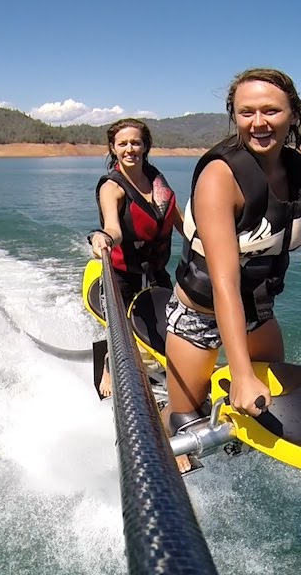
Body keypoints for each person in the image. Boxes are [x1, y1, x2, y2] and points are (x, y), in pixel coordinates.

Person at [163, 67, 301, 473]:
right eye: (246, 112)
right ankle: (165, 466)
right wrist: (239, 372)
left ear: (293, 114)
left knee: (264, 416)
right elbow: (224, 281)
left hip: (256, 312)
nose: (258, 122)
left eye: (271, 111)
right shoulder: (220, 177)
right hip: (200, 313)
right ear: (234, 116)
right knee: (185, 424)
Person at [88, 118, 184, 397]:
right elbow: (113, 228)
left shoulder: (157, 183)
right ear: (113, 148)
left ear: (145, 146)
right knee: (121, 331)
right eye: (123, 144)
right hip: (122, 274)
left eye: (136, 142)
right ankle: (109, 364)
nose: (130, 148)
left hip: (155, 272)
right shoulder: (112, 187)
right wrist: (103, 238)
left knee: (174, 324)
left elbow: (184, 225)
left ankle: (176, 372)